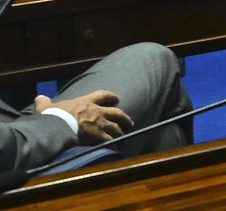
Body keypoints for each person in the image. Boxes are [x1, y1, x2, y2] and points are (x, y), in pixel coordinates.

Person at [1, 42, 193, 192]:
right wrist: (61, 120)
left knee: (165, 134)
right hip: (16, 155)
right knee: (155, 59)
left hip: (10, 131)